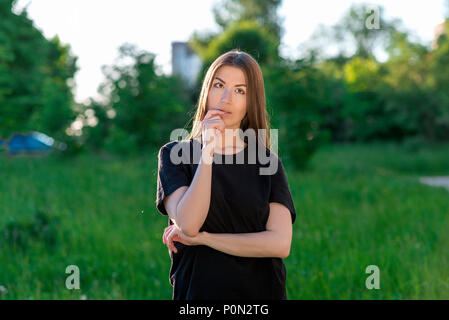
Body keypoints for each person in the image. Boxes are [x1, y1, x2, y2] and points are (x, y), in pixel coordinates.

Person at [155, 50, 297, 300]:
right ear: (207, 91)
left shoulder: (267, 163)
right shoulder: (174, 155)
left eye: (240, 90)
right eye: (219, 85)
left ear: (250, 101)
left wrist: (206, 239)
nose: (226, 98)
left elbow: (280, 243)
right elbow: (188, 224)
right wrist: (208, 149)